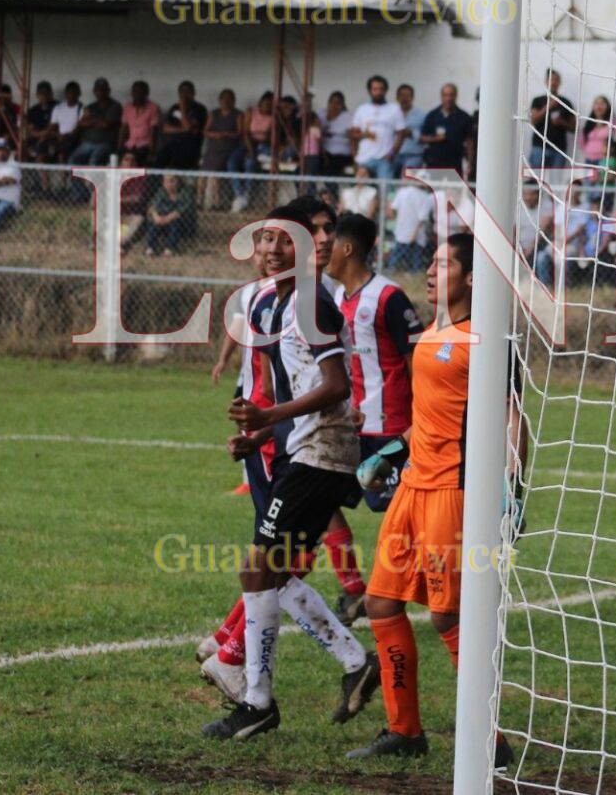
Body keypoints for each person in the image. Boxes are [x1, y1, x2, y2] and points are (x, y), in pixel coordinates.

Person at [203, 201, 380, 741]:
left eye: (287, 241)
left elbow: (335, 385)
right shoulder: (275, 303)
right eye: (266, 240)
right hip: (297, 448)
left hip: (321, 453)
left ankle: (257, 702)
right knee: (273, 573)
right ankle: (354, 662)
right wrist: (260, 433)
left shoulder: (311, 303)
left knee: (259, 569)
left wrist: (269, 417)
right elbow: (299, 383)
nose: (274, 250)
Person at [346, 232, 522, 766]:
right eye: (429, 262)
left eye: (444, 263)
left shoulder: (486, 338)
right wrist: (392, 453)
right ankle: (405, 731)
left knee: (449, 617)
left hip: (454, 490)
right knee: (380, 601)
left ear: (472, 278)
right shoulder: (428, 337)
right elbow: (433, 417)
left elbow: (513, 416)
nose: (429, 271)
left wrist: (513, 488)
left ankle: (489, 739)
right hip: (413, 486)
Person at [326, 213, 423, 519]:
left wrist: (421, 416)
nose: (322, 250)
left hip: (390, 426)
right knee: (321, 498)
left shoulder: (389, 297)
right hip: (352, 425)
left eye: (329, 243)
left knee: (397, 509)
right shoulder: (337, 296)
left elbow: (416, 360)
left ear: (347, 249)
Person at [350, 75, 406, 179]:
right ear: (370, 91)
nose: (378, 92)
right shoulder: (362, 109)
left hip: (384, 160)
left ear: (386, 91)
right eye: (375, 89)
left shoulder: (394, 109)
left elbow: (401, 134)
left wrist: (392, 153)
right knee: (364, 191)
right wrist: (355, 157)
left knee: (385, 191)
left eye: (381, 89)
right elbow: (353, 135)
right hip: (364, 159)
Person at [202, 88, 245, 210]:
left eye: (229, 99)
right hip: (213, 147)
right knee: (203, 173)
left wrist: (226, 134)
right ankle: (200, 202)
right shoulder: (213, 113)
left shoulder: (238, 114)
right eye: (224, 99)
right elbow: (205, 131)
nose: (226, 102)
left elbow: (239, 133)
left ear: (234, 101)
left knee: (216, 171)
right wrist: (215, 135)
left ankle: (217, 203)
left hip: (229, 148)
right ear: (219, 100)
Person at [528, 68, 575, 170]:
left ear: (559, 82)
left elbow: (573, 127)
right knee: (536, 181)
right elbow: (533, 120)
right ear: (546, 81)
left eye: (556, 79)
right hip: (539, 147)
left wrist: (561, 122)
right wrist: (547, 107)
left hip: (559, 149)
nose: (553, 82)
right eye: (551, 79)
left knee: (554, 183)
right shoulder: (537, 101)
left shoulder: (566, 102)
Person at [418, 83, 471, 173]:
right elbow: (421, 138)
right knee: (434, 187)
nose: (449, 98)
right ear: (441, 96)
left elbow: (470, 141)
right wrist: (435, 139)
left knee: (453, 187)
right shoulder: (432, 115)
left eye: (451, 95)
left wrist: (470, 162)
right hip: (434, 163)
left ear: (456, 96)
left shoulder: (464, 117)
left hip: (455, 164)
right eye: (446, 95)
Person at [70, 78, 121, 166]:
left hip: (105, 143)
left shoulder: (115, 106)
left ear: (108, 91)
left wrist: (91, 120)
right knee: (73, 159)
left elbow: (106, 124)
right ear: (94, 91)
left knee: (94, 159)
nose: (100, 92)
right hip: (87, 143)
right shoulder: (90, 106)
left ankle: (92, 180)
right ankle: (76, 180)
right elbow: (81, 123)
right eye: (97, 90)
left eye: (103, 90)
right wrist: (97, 121)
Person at [157, 80, 207, 170]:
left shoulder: (199, 109)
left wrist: (183, 109)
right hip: (174, 144)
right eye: (181, 92)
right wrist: (182, 129)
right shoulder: (174, 108)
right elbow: (165, 128)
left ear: (194, 93)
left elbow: (188, 127)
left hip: (190, 147)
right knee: (159, 160)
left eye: (187, 91)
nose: (184, 94)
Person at [388, 180, 435, 272]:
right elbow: (422, 218)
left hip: (405, 233)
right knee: (413, 259)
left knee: (403, 257)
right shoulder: (425, 197)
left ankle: (393, 271)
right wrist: (414, 234)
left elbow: (392, 211)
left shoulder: (403, 192)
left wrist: (413, 234)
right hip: (414, 234)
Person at [144, 174, 196, 256]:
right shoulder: (162, 191)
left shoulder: (186, 192)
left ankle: (169, 248)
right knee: (154, 223)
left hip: (182, 224)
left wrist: (165, 219)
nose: (168, 184)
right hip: (163, 221)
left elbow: (181, 211)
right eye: (166, 181)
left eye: (172, 181)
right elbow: (153, 206)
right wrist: (156, 217)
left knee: (175, 222)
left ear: (178, 181)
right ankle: (150, 247)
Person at [578, 95, 616, 180]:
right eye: (596, 103)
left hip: (605, 162)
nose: (599, 106)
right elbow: (582, 141)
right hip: (589, 161)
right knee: (589, 187)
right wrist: (589, 151)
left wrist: (612, 156)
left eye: (602, 104)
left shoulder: (613, 122)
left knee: (601, 189)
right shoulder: (589, 122)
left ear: (608, 106)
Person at [119, 80, 161, 165]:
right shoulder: (128, 107)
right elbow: (124, 128)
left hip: (145, 146)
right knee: (123, 161)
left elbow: (154, 131)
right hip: (130, 144)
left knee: (139, 163)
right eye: (135, 91)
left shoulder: (153, 107)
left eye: (140, 92)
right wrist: (119, 147)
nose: (137, 94)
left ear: (146, 93)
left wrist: (152, 151)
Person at [22, 81, 60, 164]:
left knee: (41, 153)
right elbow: (31, 131)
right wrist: (41, 136)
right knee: (21, 150)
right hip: (37, 138)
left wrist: (44, 136)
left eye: (47, 93)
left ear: (51, 94)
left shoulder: (57, 107)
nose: (44, 96)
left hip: (52, 138)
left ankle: (44, 177)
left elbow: (55, 127)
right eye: (41, 93)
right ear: (37, 94)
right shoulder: (33, 110)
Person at [393, 83, 425, 175]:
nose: (405, 98)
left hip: (413, 155)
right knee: (389, 182)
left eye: (408, 95)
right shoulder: (391, 114)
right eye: (402, 95)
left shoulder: (421, 116)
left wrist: (411, 133)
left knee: (407, 181)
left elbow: (426, 137)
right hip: (394, 155)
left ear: (412, 97)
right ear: (397, 98)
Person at [321, 90, 355, 178]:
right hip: (324, 153)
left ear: (342, 104)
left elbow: (352, 137)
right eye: (332, 102)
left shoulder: (348, 116)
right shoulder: (321, 114)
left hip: (341, 154)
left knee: (331, 169)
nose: (334, 105)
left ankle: (332, 190)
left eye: (338, 103)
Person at [49, 81, 83, 161]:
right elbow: (52, 126)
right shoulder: (58, 108)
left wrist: (66, 136)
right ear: (66, 93)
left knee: (62, 151)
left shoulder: (82, 108)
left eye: (74, 93)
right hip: (59, 137)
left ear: (79, 94)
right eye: (69, 92)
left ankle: (62, 173)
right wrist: (58, 135)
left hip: (73, 139)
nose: (71, 95)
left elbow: (80, 128)